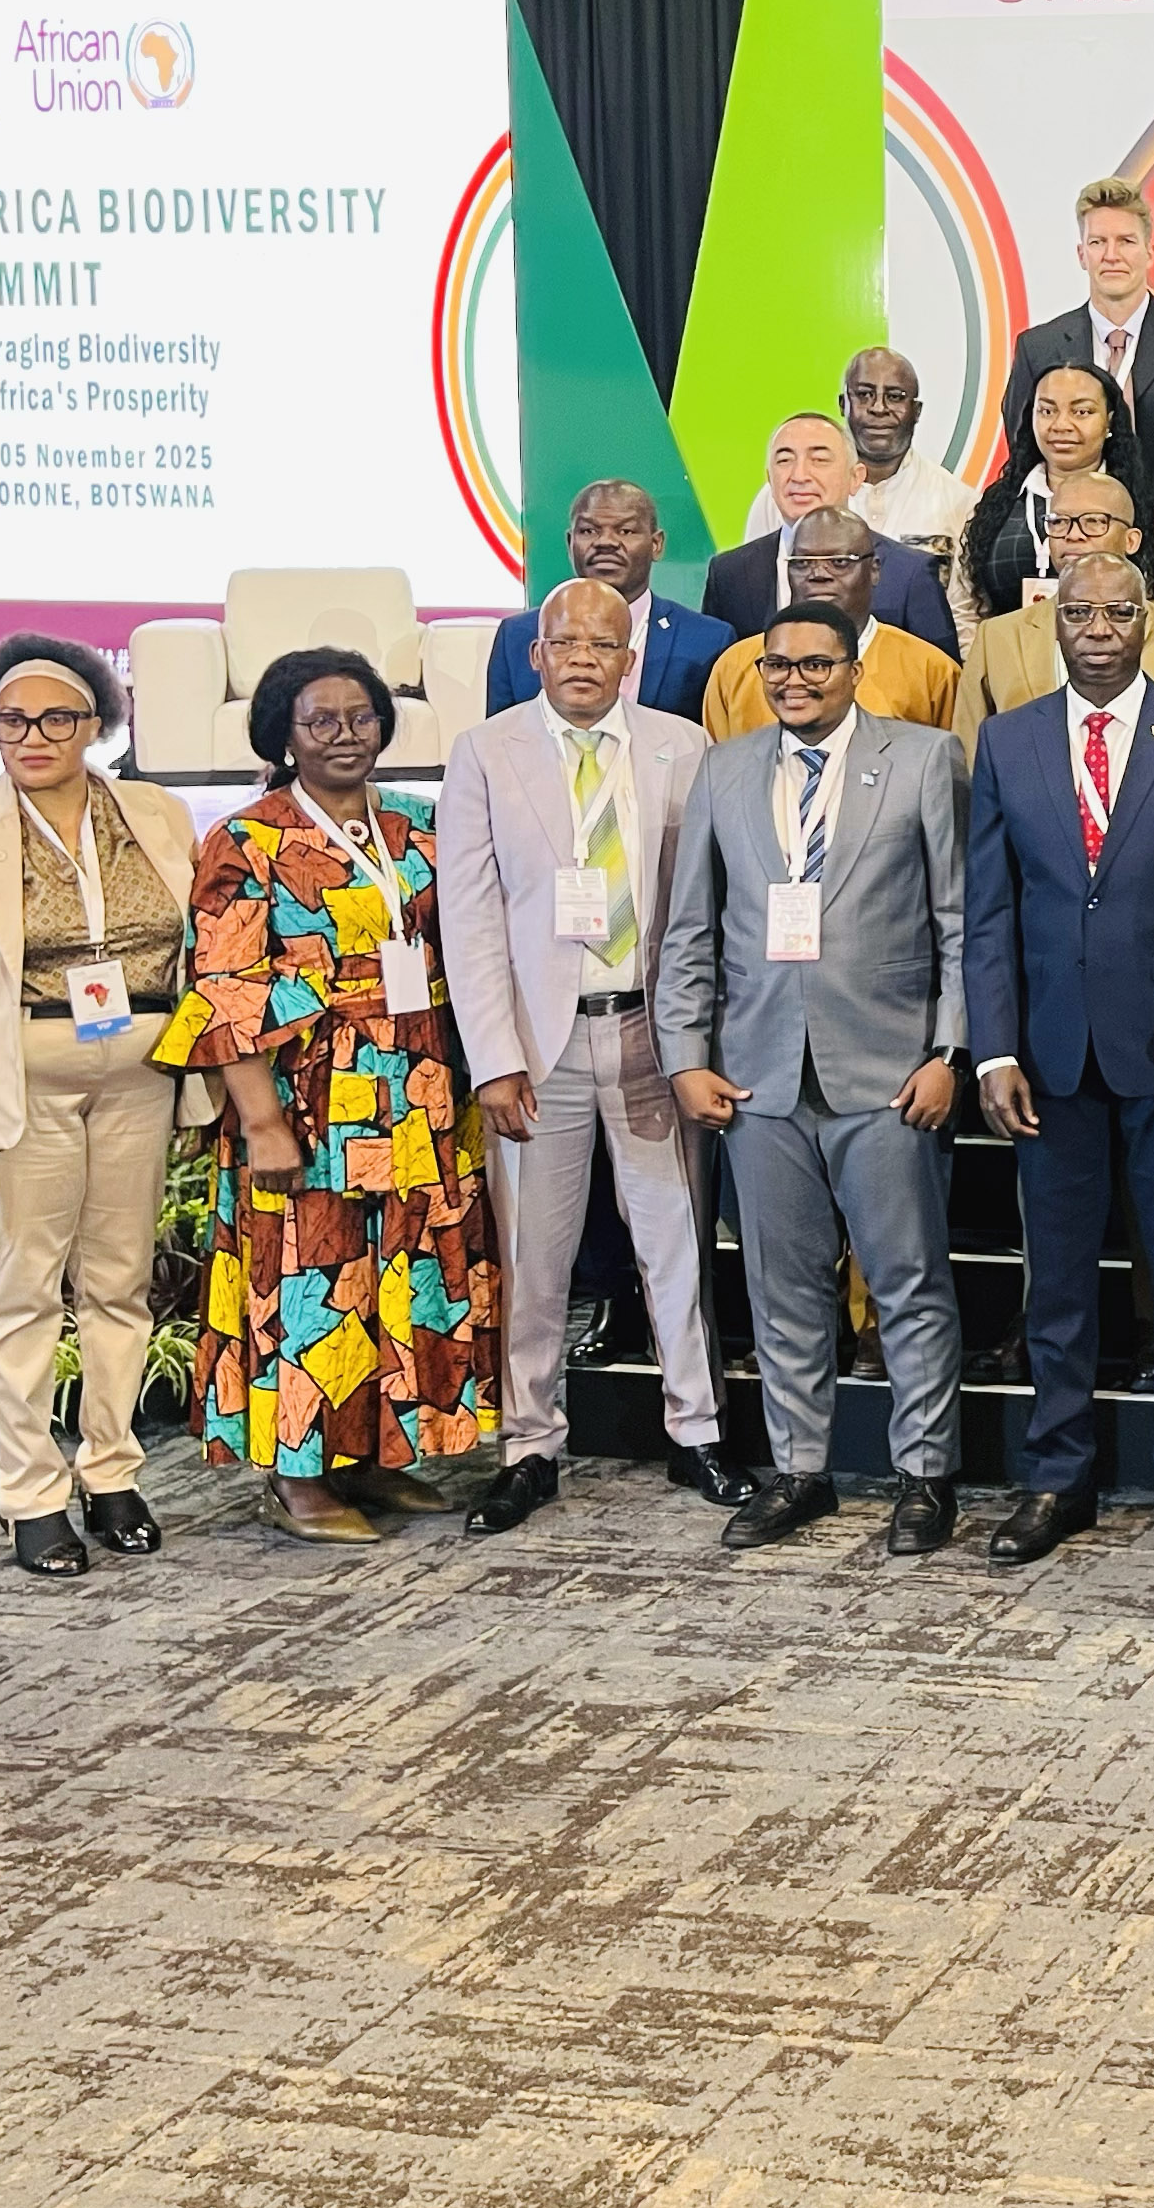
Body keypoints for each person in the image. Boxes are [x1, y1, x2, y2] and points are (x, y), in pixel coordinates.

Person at [153, 647, 502, 1544]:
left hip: (419, 1090)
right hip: (307, 1095)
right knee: (310, 1279)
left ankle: (374, 1454)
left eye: (361, 717)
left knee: (403, 1274)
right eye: (321, 721)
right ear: (284, 735)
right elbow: (226, 991)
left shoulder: (420, 825)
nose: (346, 735)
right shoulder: (247, 840)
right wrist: (261, 1121)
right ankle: (299, 1475)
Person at [0, 635, 202, 1576]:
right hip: (16, 1080)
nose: (33, 735)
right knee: (23, 1292)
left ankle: (111, 1473)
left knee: (119, 1285)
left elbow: (200, 947)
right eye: (12, 719)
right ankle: (30, 1495)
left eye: (57, 717)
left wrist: (206, 1089)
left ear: (97, 723)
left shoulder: (155, 811)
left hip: (140, 1073)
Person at [659, 602, 972, 1555]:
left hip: (889, 1072)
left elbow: (958, 920)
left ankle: (926, 1475)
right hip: (757, 1076)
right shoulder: (724, 768)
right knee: (781, 1286)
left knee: (909, 1284)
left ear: (852, 671)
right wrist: (686, 1057)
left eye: (815, 665)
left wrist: (949, 1052)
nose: (794, 681)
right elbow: (691, 929)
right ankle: (802, 1471)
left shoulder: (923, 758)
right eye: (778, 666)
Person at [969, 554, 1154, 1572]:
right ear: (1055, 624)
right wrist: (994, 1048)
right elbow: (989, 910)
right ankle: (1058, 1478)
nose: (1097, 629)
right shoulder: (1007, 741)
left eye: (1117, 612)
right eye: (1079, 612)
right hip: (1047, 1060)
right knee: (1057, 1286)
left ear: (1147, 622)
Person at [436, 579, 739, 1532]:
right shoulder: (485, 752)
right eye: (564, 643)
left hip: (653, 1033)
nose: (581, 659)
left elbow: (705, 906)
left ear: (628, 660)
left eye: (601, 645)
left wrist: (695, 1038)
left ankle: (698, 1432)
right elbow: (469, 918)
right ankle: (530, 1446)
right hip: (538, 1044)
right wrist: (493, 1057)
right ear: (536, 655)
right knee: (534, 1257)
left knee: (675, 1241)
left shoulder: (682, 746)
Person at [1014, 175, 1154, 529]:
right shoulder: (1039, 348)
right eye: (1098, 242)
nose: (1111, 256)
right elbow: (1023, 454)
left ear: (1150, 251)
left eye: (1126, 241)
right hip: (1071, 540)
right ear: (1081, 255)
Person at [952, 469, 1154, 739]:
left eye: (1094, 521)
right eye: (1059, 522)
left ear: (1132, 540)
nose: (1073, 534)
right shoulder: (995, 638)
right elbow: (969, 754)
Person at [704, 411, 961, 658]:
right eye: (784, 460)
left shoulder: (909, 572)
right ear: (769, 479)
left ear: (856, 478)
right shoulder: (730, 574)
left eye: (819, 460)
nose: (799, 475)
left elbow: (939, 676)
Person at [698, 507, 961, 738]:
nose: (818, 575)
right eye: (803, 562)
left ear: (874, 570)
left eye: (839, 562)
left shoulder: (931, 670)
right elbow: (718, 767)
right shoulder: (736, 666)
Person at [484, 479, 731, 720]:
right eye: (589, 531)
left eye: (625, 531)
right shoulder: (516, 636)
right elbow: (499, 738)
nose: (606, 542)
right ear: (570, 543)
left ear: (656, 544)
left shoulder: (708, 640)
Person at [960, 355, 1154, 626]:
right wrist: (986, 652)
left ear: (1109, 421)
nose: (1061, 425)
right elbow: (966, 609)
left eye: (1081, 412)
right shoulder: (994, 505)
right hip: (1006, 651)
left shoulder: (1152, 509)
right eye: (1047, 411)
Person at [739, 346, 979, 566]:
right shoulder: (786, 497)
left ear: (916, 411)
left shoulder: (958, 502)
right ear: (843, 404)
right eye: (864, 394)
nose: (879, 408)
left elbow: (963, 600)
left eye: (894, 396)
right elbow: (755, 583)